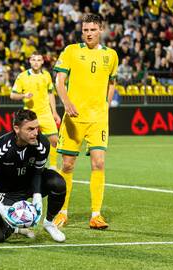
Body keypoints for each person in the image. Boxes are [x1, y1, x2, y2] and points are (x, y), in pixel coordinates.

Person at [53, 14, 119, 229]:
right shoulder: (71, 51)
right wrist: (66, 102)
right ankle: (62, 212)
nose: (88, 33)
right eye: (85, 30)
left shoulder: (111, 55)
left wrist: (106, 105)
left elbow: (112, 82)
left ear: (101, 30)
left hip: (98, 118)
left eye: (92, 29)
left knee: (99, 163)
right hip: (74, 118)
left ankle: (96, 214)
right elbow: (59, 80)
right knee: (68, 164)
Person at [0, 109, 66, 243]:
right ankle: (17, 227)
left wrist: (37, 196)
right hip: (9, 192)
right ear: (16, 128)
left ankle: (49, 223)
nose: (35, 133)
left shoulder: (42, 144)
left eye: (37, 128)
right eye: (30, 129)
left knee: (57, 183)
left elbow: (38, 172)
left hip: (31, 184)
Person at [10, 51, 61, 170]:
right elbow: (13, 95)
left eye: (39, 60)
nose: (36, 62)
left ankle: (53, 166)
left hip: (46, 113)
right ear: (30, 61)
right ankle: (27, 166)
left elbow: (50, 94)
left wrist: (54, 112)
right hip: (30, 116)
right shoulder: (22, 76)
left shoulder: (46, 75)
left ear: (42, 61)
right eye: (34, 60)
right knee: (28, 142)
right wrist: (23, 95)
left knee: (54, 140)